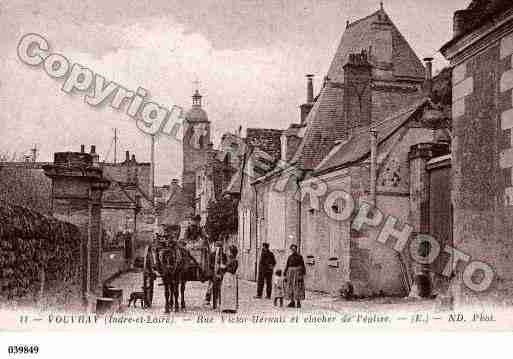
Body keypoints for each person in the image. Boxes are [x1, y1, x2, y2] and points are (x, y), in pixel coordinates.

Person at [206, 241, 226, 309]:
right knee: (210, 286)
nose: (219, 248)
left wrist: (222, 267)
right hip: (213, 273)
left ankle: (221, 301)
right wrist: (215, 267)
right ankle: (208, 299)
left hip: (221, 273)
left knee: (221, 287)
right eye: (217, 246)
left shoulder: (223, 255)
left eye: (220, 247)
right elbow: (210, 264)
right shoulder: (212, 254)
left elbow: (225, 263)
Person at [221, 245, 239, 313]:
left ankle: (230, 308)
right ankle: (227, 307)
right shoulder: (230, 260)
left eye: (229, 251)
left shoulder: (234, 261)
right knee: (226, 291)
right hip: (228, 276)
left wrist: (224, 268)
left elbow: (233, 270)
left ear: (232, 252)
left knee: (230, 292)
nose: (228, 253)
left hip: (230, 277)